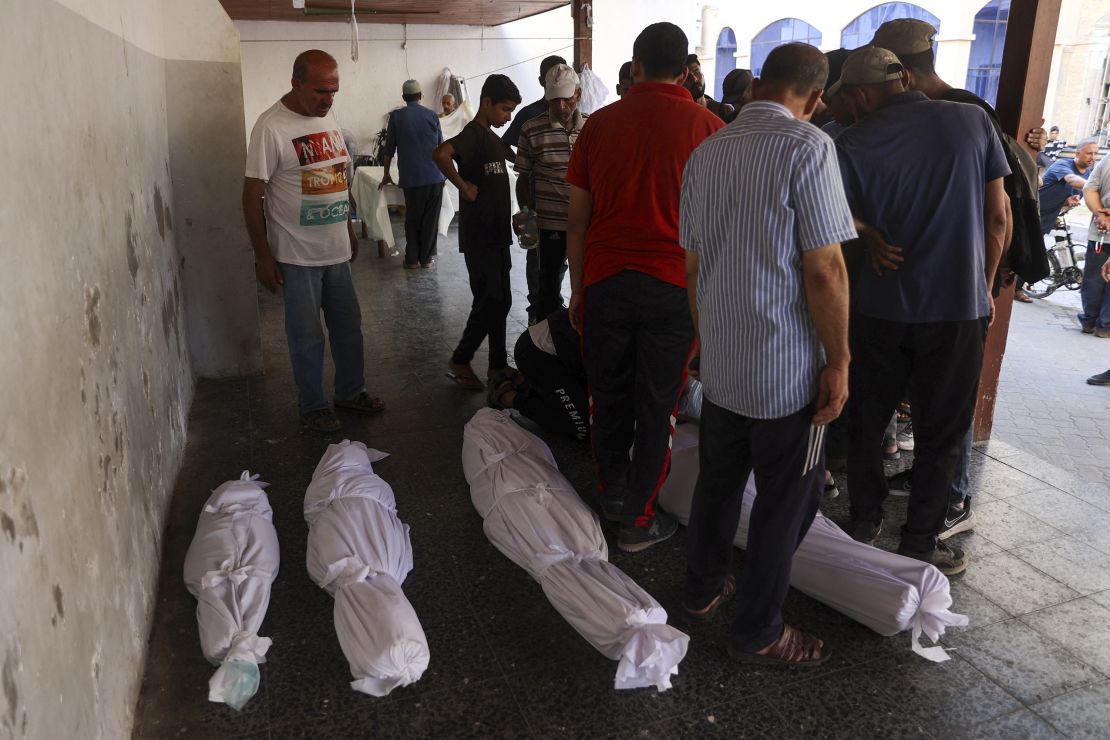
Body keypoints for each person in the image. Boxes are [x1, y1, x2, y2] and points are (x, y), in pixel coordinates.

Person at [680, 43, 854, 667]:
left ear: (758, 84)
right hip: (787, 375)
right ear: (816, 97)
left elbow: (693, 265)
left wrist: (708, 344)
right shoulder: (808, 147)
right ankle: (759, 630)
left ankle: (701, 591)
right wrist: (839, 360)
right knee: (785, 506)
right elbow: (826, 268)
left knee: (717, 487)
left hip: (725, 367)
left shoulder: (707, 151)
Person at [834, 46, 1009, 575]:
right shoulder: (972, 121)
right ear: (905, 77)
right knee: (941, 432)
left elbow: (832, 223)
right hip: (957, 311)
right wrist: (982, 290)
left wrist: (866, 231)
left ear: (862, 94)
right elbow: (998, 219)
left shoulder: (851, 142)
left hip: (880, 309)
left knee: (868, 422)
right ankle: (920, 541)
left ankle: (864, 519)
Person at [566, 22, 724, 552]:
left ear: (634, 67)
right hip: (674, 289)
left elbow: (577, 219)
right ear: (685, 71)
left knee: (606, 393)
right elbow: (718, 229)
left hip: (607, 280)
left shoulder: (598, 125)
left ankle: (612, 492)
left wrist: (580, 288)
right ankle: (638, 519)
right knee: (659, 404)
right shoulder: (708, 128)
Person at [242, 50, 385, 433]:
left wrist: (349, 227)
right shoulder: (270, 128)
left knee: (348, 327)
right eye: (321, 91)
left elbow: (336, 176)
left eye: (334, 91)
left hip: (336, 248)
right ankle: (313, 406)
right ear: (296, 84)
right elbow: (251, 194)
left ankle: (351, 392)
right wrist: (262, 256)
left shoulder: (327, 116)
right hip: (295, 254)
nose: (329, 100)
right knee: (306, 335)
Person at [433, 74, 521, 390]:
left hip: (497, 234)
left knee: (502, 299)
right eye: (505, 110)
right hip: (480, 235)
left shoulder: (493, 139)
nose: (508, 117)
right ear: (487, 104)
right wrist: (464, 187)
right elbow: (441, 154)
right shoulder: (474, 134)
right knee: (491, 297)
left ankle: (497, 364)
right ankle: (460, 358)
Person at [514, 64, 587, 320]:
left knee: (587, 282)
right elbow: (523, 177)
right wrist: (525, 213)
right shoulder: (531, 128)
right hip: (550, 223)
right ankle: (545, 338)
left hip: (586, 223)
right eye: (554, 100)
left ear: (577, 94)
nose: (561, 106)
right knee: (547, 283)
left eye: (566, 99)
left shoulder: (591, 127)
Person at [502, 54, 569, 323]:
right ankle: (537, 309)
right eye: (552, 76)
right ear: (542, 80)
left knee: (562, 260)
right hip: (533, 202)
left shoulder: (578, 117)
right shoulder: (529, 116)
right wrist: (527, 163)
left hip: (568, 208)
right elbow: (505, 144)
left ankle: (555, 304)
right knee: (536, 258)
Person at [490, 308, 590, 441]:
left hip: (566, 357)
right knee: (582, 426)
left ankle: (528, 386)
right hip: (536, 353)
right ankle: (509, 397)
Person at [379, 79, 446, 269]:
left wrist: (386, 174)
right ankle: (426, 259)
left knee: (413, 219)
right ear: (420, 96)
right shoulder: (432, 116)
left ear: (403, 97)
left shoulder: (396, 117)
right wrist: (444, 175)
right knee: (430, 220)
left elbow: (388, 150)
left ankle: (411, 259)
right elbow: (441, 149)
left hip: (411, 179)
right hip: (434, 177)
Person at [1081, 150, 1110, 336]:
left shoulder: (1108, 158)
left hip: (1101, 229)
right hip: (1102, 228)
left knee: (1093, 277)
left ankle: (1090, 320)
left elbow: (1089, 188)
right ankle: (1105, 325)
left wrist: (1100, 215)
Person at [684, 54, 732, 121]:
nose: (694, 79)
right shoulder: (682, 113)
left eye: (696, 71)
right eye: (688, 76)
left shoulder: (723, 111)